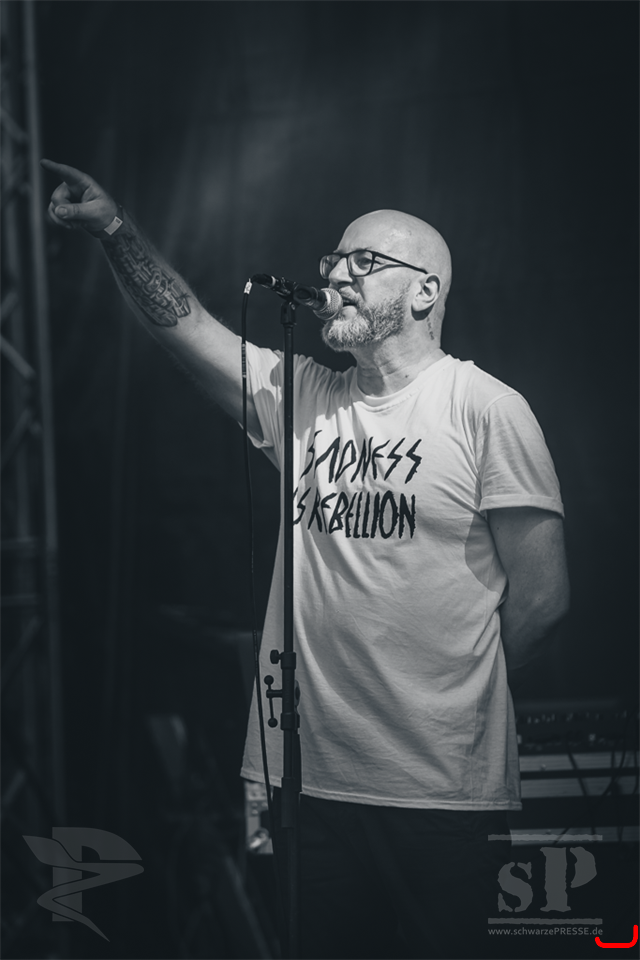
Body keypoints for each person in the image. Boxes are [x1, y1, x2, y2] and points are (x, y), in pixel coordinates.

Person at [43, 159, 570, 959]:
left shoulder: (485, 408)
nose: (337, 275)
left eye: (364, 261)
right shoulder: (309, 398)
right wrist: (115, 232)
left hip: (443, 793)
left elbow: (541, 599)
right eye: (333, 260)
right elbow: (186, 327)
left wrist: (454, 699)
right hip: (312, 787)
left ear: (425, 291)